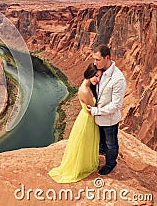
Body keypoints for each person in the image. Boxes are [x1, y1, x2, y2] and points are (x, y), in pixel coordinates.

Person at [48, 63, 102, 183]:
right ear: (90, 74)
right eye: (96, 76)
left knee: (87, 143)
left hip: (88, 119)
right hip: (86, 120)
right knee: (83, 143)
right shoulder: (84, 90)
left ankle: (85, 164)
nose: (97, 79)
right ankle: (80, 167)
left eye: (99, 77)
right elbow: (93, 109)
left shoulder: (89, 87)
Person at [87, 45, 127, 176]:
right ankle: (102, 152)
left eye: (98, 59)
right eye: (94, 59)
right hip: (98, 118)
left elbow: (116, 105)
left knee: (111, 144)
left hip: (109, 120)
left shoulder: (118, 79)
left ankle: (110, 164)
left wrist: (95, 111)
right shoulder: (99, 71)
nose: (95, 62)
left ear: (107, 58)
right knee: (102, 141)